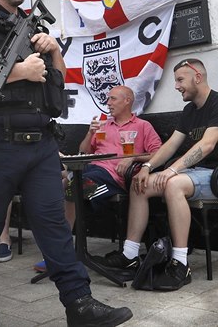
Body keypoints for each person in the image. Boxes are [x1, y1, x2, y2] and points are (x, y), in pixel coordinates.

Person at [0, 0, 133, 325]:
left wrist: (53, 52)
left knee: (55, 228)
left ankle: (79, 304)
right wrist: (21, 69)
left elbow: (56, 80)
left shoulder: (28, 26)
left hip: (41, 146)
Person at [95, 59, 218, 291]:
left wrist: (172, 170)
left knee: (173, 184)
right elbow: (170, 145)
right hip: (196, 175)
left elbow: (206, 146)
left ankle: (180, 263)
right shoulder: (189, 111)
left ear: (197, 76)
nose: (176, 86)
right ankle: (130, 255)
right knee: (140, 184)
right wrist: (146, 168)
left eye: (180, 80)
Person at [34, 86, 162, 273]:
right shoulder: (103, 125)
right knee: (67, 185)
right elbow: (84, 152)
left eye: (113, 99)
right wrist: (89, 133)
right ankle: (61, 251)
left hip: (114, 177)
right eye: (108, 99)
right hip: (91, 170)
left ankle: (61, 253)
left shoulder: (142, 126)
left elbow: (158, 153)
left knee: (70, 186)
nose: (108, 103)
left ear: (127, 100)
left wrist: (134, 157)